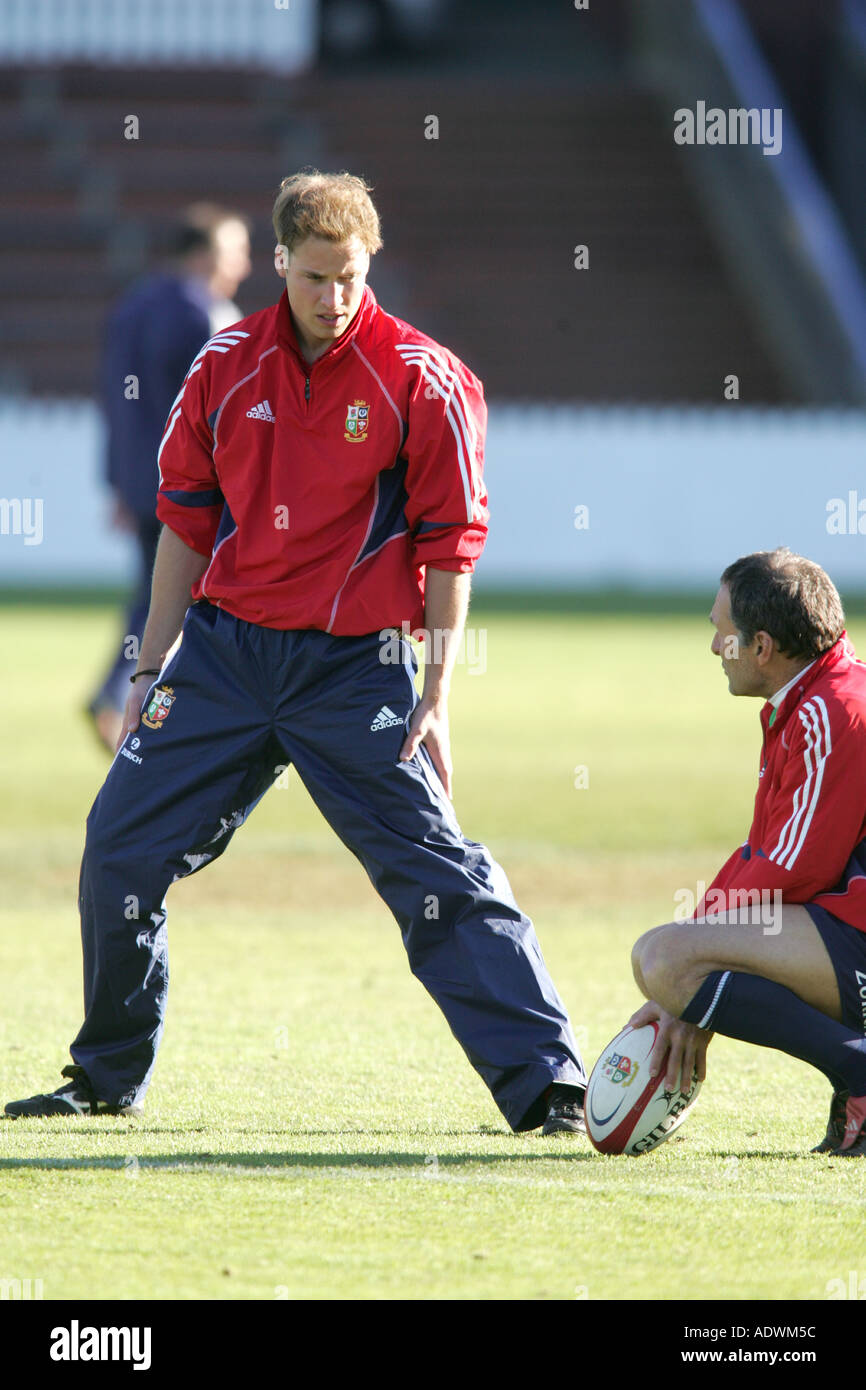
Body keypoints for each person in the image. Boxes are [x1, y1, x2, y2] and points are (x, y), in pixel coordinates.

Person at [7, 171, 586, 1136]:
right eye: (315, 276)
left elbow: (452, 547)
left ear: (372, 263)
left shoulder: (424, 379)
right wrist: (150, 668)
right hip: (223, 660)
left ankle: (550, 1087)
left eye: (350, 276)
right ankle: (105, 1076)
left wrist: (438, 694)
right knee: (117, 846)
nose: (333, 297)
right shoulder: (222, 365)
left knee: (439, 875)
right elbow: (183, 526)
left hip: (354, 670)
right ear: (278, 262)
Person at [629, 549, 866, 1156]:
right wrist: (695, 979)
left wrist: (690, 972)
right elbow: (761, 851)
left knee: (664, 959)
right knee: (671, 960)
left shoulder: (829, 710)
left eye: (721, 632)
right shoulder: (815, 700)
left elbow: (794, 867)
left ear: (762, 646)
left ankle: (859, 1070)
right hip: (850, 933)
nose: (715, 649)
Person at [87, 205, 252, 752]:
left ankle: (123, 695)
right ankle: (130, 698)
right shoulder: (206, 315)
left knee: (153, 588)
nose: (245, 266)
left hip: (137, 478)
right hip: (187, 484)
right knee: (180, 592)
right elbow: (214, 412)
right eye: (236, 252)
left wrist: (118, 480)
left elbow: (117, 400)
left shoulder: (132, 305)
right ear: (204, 255)